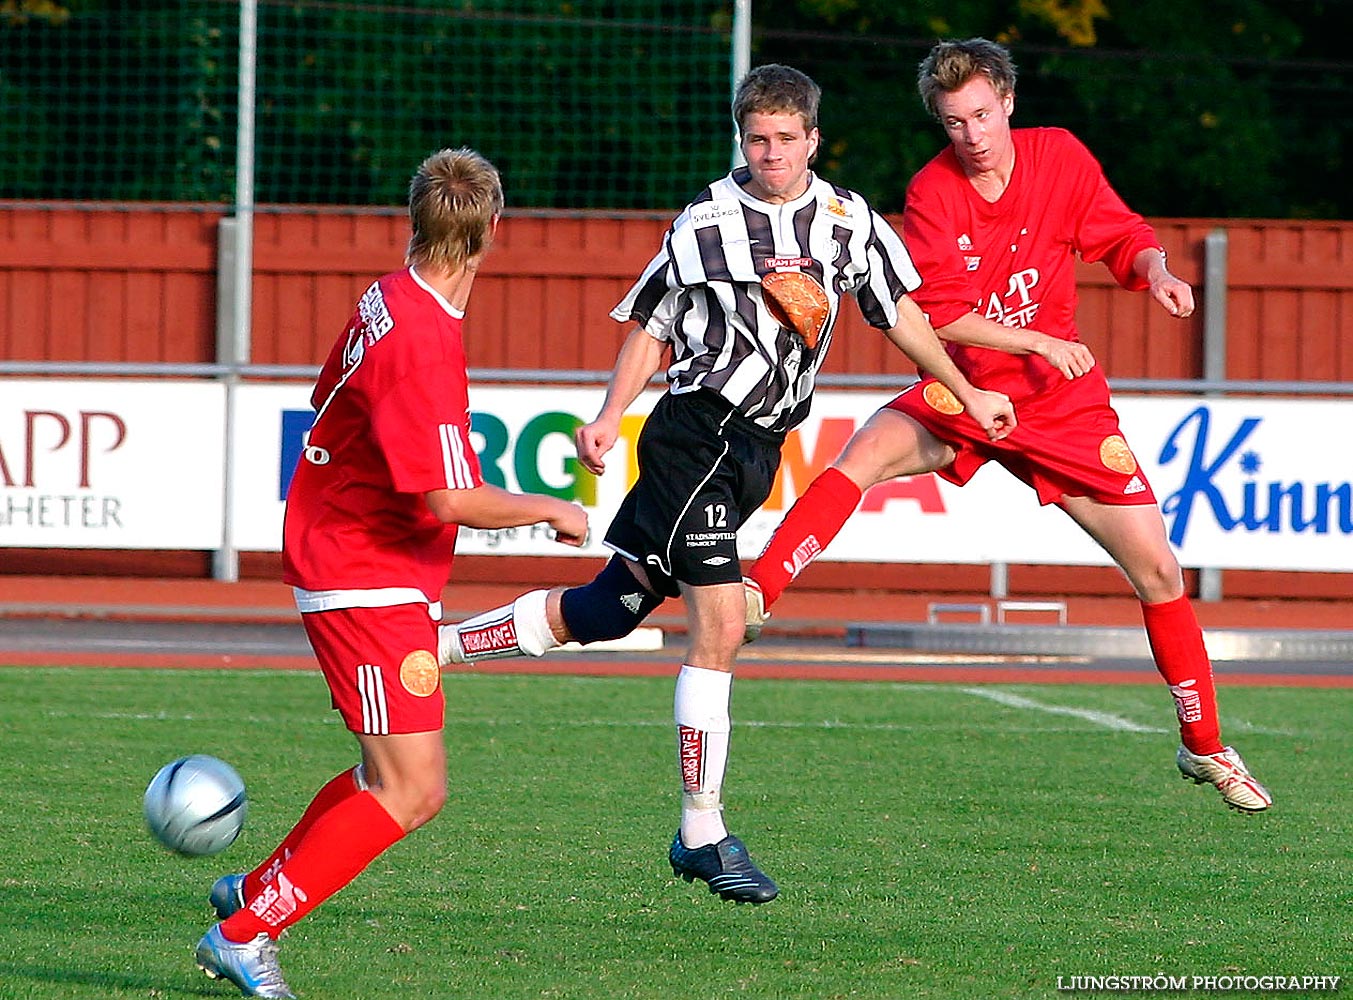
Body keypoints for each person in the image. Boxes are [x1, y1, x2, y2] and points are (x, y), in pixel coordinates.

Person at [437, 63, 1016, 905]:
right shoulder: (705, 221)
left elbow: (901, 315)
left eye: (786, 140)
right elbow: (651, 325)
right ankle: (701, 832)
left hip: (756, 451)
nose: (771, 154)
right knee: (721, 623)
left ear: (813, 140)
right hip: (692, 434)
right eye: (757, 140)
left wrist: (966, 391)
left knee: (609, 608)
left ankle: (434, 647)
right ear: (739, 140)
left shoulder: (850, 223)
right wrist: (608, 415)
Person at [743, 38, 1271, 813]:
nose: (973, 135)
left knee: (1158, 572)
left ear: (1008, 104)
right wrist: (1035, 340)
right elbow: (943, 318)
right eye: (955, 122)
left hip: (1059, 404)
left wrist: (1155, 269)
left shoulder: (1057, 156)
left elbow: (1121, 236)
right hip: (968, 391)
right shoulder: (932, 190)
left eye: (982, 115)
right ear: (941, 122)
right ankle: (758, 592)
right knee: (864, 454)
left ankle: (1204, 748)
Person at [192, 148, 589, 998]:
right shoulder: (420, 340)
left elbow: (330, 394)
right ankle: (243, 932)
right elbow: (450, 497)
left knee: (387, 777)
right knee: (413, 789)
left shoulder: (389, 296)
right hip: (360, 568)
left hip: (361, 558)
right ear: (495, 227)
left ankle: (257, 891)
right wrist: (551, 508)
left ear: (414, 219)